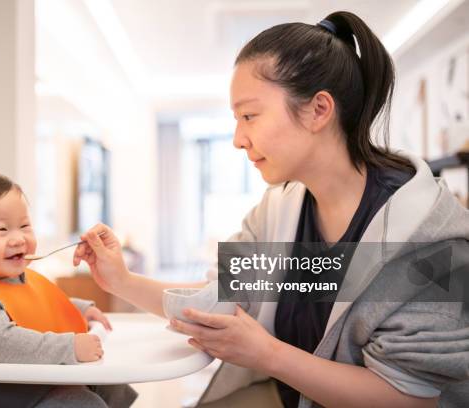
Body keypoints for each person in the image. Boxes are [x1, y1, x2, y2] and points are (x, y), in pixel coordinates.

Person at [72, 10, 469, 408]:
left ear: (318, 110)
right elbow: (224, 297)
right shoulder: (281, 208)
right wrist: (120, 280)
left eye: (249, 116)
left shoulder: (428, 237)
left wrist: (267, 354)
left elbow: (411, 398)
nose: (237, 139)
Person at [0, 170, 137, 408]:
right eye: (2, 229)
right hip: (16, 395)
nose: (19, 238)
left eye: (24, 225)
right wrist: (69, 347)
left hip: (41, 379)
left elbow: (38, 307)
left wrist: (79, 310)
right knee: (82, 404)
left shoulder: (21, 278)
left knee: (111, 383)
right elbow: (4, 342)